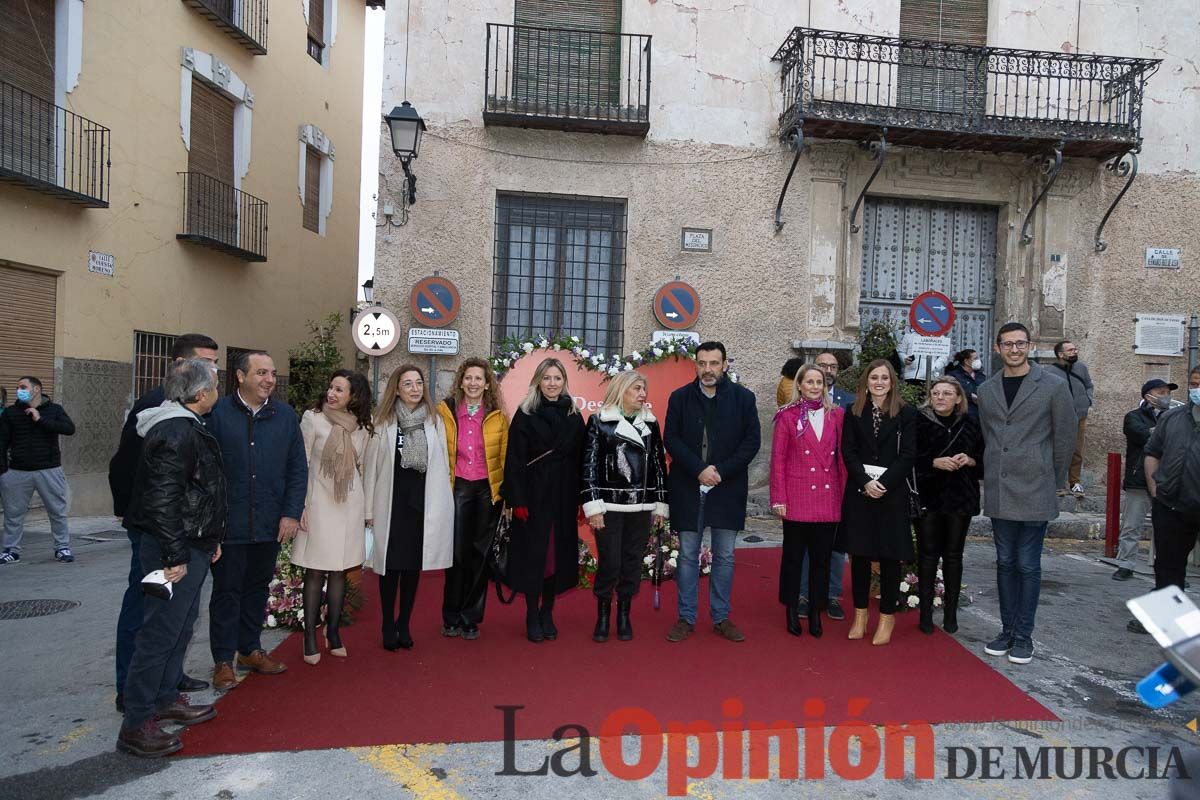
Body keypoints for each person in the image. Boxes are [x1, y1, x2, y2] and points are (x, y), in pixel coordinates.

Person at [116, 358, 226, 758]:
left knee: (179, 627)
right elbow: (162, 499)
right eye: (215, 383)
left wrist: (208, 537)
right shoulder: (176, 431)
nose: (218, 390)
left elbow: (195, 493)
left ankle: (165, 697)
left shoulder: (185, 425)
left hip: (190, 543)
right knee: (159, 634)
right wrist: (175, 554)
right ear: (200, 395)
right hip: (173, 547)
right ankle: (136, 723)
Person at [207, 351, 308, 689]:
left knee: (256, 589)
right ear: (240, 376)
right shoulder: (217, 414)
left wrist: (291, 512)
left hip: (269, 522)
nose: (269, 380)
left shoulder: (285, 416)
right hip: (229, 523)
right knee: (226, 591)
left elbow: (297, 468)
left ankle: (249, 649)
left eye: (272, 373)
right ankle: (223, 659)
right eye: (261, 373)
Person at [977, 322, 1075, 665]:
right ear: (997, 348)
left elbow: (1064, 437)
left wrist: (1054, 478)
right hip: (1001, 488)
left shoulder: (1052, 385)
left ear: (1030, 346)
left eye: (1020, 344)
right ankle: (1006, 630)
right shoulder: (988, 390)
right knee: (1004, 562)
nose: (1014, 350)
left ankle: (1023, 636)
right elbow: (990, 437)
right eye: (1008, 344)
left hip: (1036, 486)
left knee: (1028, 564)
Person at [664, 341, 761, 643]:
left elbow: (751, 442)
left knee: (726, 556)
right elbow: (672, 439)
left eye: (714, 363)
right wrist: (699, 470)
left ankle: (721, 617)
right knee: (689, 554)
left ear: (724, 365)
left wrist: (720, 471)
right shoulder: (679, 398)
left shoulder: (744, 399)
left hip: (727, 488)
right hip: (688, 486)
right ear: (696, 365)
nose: (708, 369)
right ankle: (686, 617)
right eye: (702, 363)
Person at [364, 364, 453, 650]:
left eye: (418, 383)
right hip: (391, 504)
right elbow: (371, 470)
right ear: (397, 389)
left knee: (413, 568)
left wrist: (443, 505)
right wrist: (367, 511)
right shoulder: (383, 423)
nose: (415, 389)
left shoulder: (434, 421)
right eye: (408, 384)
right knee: (390, 568)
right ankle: (388, 623)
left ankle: (404, 623)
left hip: (421, 505)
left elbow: (443, 465)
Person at [501, 357, 586, 643]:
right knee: (535, 558)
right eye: (547, 378)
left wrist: (580, 499)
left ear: (564, 382)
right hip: (533, 498)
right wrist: (518, 500)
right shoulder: (525, 414)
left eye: (557, 378)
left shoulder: (575, 415)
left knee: (557, 558)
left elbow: (581, 460)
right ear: (538, 381)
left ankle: (548, 611)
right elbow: (514, 461)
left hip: (562, 497)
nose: (552, 383)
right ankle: (531, 613)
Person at [291, 370, 373, 664]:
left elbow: (365, 469)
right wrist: (298, 506)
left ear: (354, 396)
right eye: (331, 387)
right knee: (314, 571)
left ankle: (334, 631)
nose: (332, 394)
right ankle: (310, 637)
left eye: (340, 390)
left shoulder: (363, 427)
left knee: (339, 571)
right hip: (318, 503)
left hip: (349, 504)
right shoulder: (313, 418)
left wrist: (368, 512)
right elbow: (301, 463)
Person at [581, 370, 669, 643]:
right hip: (609, 505)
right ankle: (604, 614)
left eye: (644, 389)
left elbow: (658, 466)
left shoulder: (651, 424)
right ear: (622, 390)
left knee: (632, 562)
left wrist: (660, 505)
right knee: (611, 562)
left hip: (642, 505)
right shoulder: (599, 421)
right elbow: (589, 466)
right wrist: (593, 506)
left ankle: (624, 615)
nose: (643, 395)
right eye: (637, 389)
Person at [838, 359, 917, 646]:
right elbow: (847, 450)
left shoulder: (906, 413)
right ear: (866, 382)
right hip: (860, 493)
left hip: (891, 494)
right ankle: (859, 616)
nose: (879, 382)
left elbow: (908, 454)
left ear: (892, 382)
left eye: (885, 377)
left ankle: (886, 617)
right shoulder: (853, 411)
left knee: (888, 556)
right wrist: (865, 482)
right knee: (858, 556)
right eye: (874, 377)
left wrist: (883, 484)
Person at [770, 363, 846, 638]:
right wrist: (778, 497)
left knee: (821, 561)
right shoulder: (787, 416)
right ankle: (792, 610)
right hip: (797, 497)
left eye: (820, 382)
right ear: (799, 385)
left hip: (828, 498)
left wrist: (845, 497)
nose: (815, 386)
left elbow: (843, 459)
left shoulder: (837, 415)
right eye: (810, 382)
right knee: (792, 559)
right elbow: (777, 460)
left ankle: (816, 611)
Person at [436, 358, 509, 640]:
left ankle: (470, 618)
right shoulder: (445, 411)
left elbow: (505, 456)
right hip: (457, 489)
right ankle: (450, 615)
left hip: (487, 492)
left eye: (479, 378)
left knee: (480, 556)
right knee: (456, 554)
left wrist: (507, 497)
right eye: (469, 378)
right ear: (461, 381)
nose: (474, 383)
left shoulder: (498, 416)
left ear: (487, 383)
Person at [913, 378, 982, 635]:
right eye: (936, 393)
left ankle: (951, 612)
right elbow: (908, 458)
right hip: (928, 497)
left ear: (958, 398)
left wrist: (971, 460)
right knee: (928, 555)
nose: (940, 397)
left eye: (947, 393)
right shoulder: (918, 422)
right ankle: (925, 614)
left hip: (960, 498)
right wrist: (933, 462)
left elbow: (984, 458)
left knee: (954, 555)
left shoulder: (971, 423)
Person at [799, 350, 856, 621]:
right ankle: (803, 595)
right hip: (807, 486)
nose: (828, 370)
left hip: (836, 486)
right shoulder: (795, 409)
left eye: (832, 366)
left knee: (835, 547)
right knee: (807, 546)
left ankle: (832, 595)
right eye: (823, 366)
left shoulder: (849, 403)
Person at [0, 376, 76, 565]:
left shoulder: (54, 410)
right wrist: (3, 471)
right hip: (17, 471)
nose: (19, 390)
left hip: (49, 469)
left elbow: (69, 429)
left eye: (23, 387)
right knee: (13, 513)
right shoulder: (10, 413)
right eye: (18, 387)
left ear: (36, 389)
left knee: (57, 511)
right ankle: (11, 550)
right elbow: (2, 442)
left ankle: (62, 547)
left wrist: (40, 419)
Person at [1142, 367, 1200, 602]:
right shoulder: (1172, 417)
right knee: (1167, 565)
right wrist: (1155, 489)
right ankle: (1168, 620)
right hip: (1171, 505)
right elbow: (1152, 452)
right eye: (1195, 384)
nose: (1197, 389)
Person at [1114, 379, 1178, 588]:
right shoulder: (1134, 417)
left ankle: (1168, 570)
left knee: (1167, 528)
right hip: (1140, 478)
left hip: (1167, 479)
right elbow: (1147, 437)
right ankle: (1125, 564)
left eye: (1167, 392)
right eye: (1161, 392)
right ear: (1148, 395)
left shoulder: (1175, 416)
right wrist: (1168, 427)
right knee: (1132, 524)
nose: (1166, 396)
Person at [1049, 340, 1094, 496]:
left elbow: (1089, 385)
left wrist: (1088, 400)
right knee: (1058, 450)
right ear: (1061, 354)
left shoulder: (1081, 368)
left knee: (1077, 449)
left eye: (1075, 349)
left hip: (1079, 415)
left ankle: (1075, 482)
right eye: (1070, 350)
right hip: (1059, 418)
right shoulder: (1049, 371)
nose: (1075, 352)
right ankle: (1057, 483)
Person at [945, 348, 986, 420]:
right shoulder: (954, 376)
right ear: (966, 361)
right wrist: (970, 396)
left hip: (980, 416)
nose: (978, 360)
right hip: (962, 416)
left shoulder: (981, 375)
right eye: (975, 358)